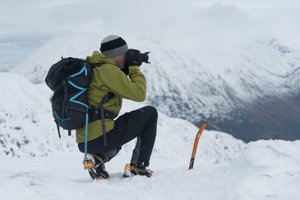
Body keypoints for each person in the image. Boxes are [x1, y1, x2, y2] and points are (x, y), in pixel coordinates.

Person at [76, 35, 158, 179]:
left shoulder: (95, 66)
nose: (127, 57)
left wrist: (125, 68)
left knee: (119, 127)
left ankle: (97, 159)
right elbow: (139, 94)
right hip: (101, 137)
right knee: (150, 113)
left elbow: (112, 81)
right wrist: (134, 68)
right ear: (118, 54)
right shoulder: (108, 71)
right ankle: (138, 166)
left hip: (86, 140)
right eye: (125, 54)